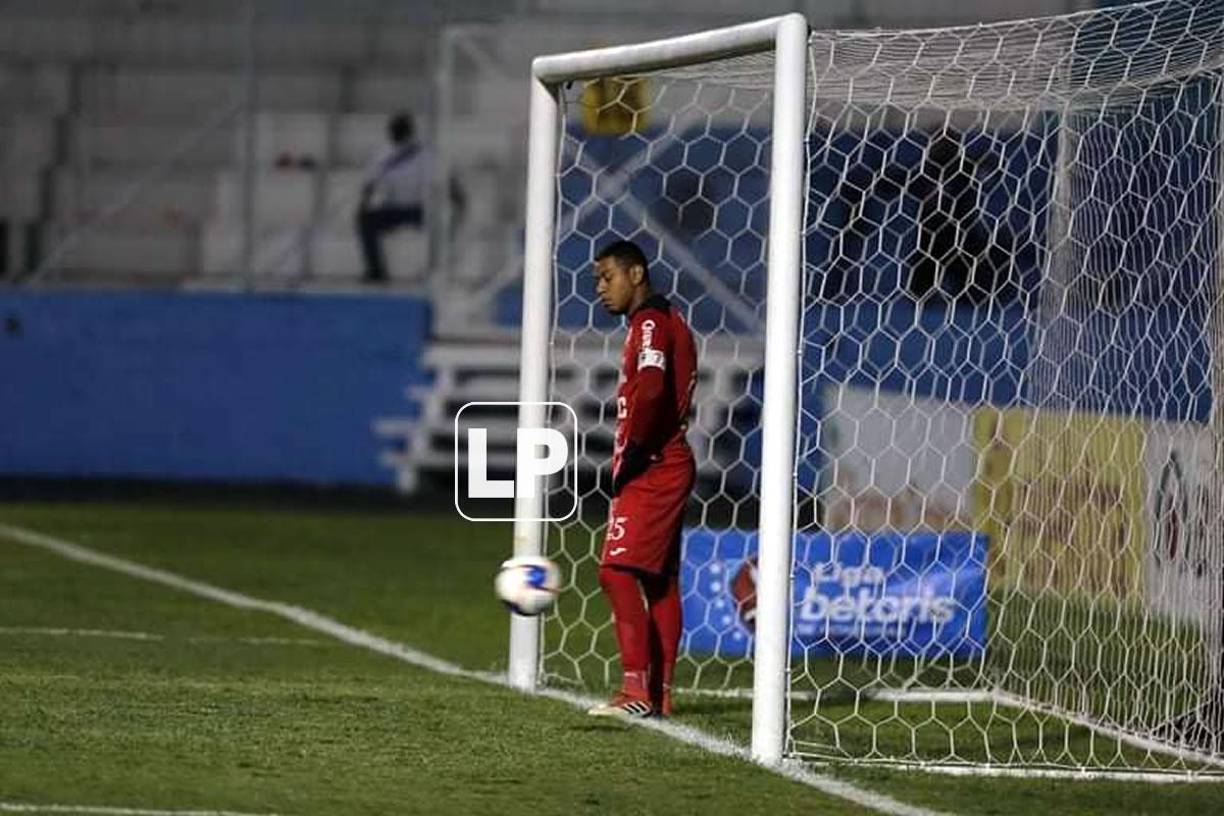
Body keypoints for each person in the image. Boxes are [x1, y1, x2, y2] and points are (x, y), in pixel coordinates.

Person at [585, 239, 698, 719]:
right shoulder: (664, 321)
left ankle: (634, 689)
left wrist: (631, 453)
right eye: (596, 281)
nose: (600, 289)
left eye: (607, 277)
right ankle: (661, 694)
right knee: (660, 581)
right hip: (666, 462)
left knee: (615, 570)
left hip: (653, 463)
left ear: (636, 275)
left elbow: (651, 392)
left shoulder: (651, 324)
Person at [356, 111, 427, 283]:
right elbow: (370, 184)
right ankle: (376, 271)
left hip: (418, 209)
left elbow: (369, 186)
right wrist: (363, 206)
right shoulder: (383, 155)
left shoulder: (423, 153)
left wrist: (363, 205)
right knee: (365, 219)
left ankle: (435, 270)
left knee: (364, 218)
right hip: (396, 209)